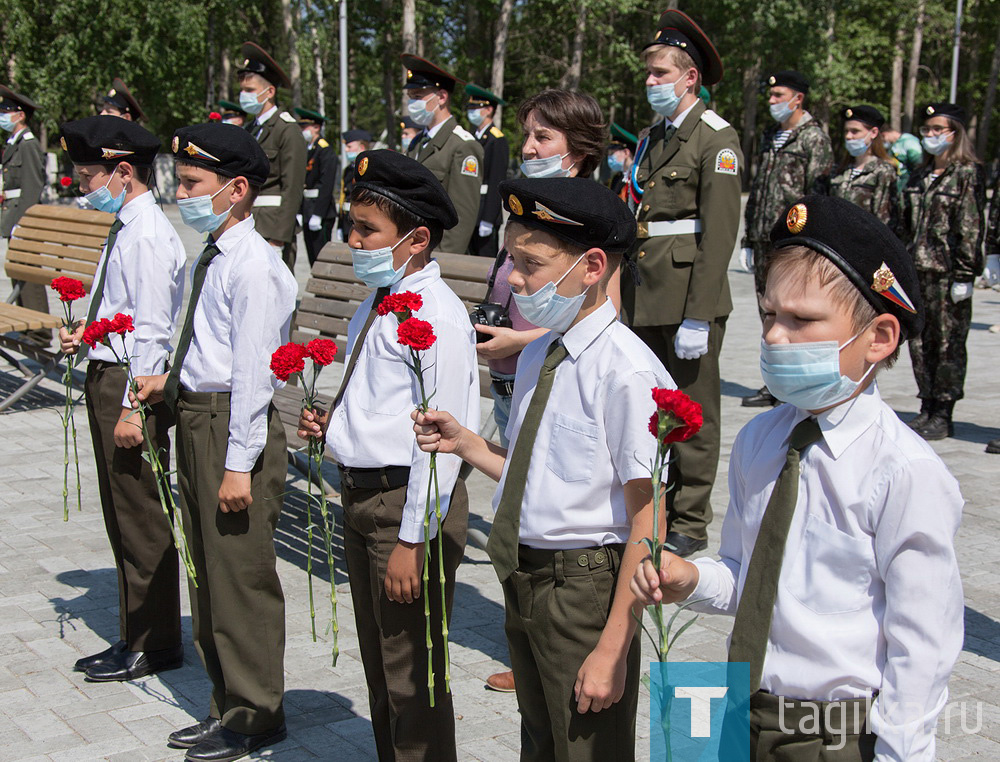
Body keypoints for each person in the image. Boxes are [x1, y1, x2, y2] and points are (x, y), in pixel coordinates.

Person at [633, 194, 964, 762]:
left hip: (834, 731)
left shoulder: (903, 472)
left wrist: (901, 751)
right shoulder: (760, 440)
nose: (776, 336)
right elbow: (745, 574)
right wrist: (690, 579)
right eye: (769, 314)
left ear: (879, 338)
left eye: (802, 320)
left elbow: (923, 645)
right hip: (737, 706)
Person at [414, 177, 670, 761]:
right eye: (511, 261)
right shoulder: (538, 353)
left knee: (586, 747)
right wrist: (466, 444)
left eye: (531, 264)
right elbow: (535, 473)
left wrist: (612, 649)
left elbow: (648, 521)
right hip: (524, 577)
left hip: (582, 588)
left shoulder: (627, 373)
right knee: (542, 741)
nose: (516, 280)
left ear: (591, 266)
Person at [297, 149, 478, 761]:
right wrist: (335, 423)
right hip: (364, 494)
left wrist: (412, 540)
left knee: (412, 676)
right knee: (382, 665)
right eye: (351, 224)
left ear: (417, 238)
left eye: (367, 229)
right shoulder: (380, 298)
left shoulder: (434, 314)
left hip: (406, 505)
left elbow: (443, 447)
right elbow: (382, 401)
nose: (352, 238)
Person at [131, 123, 297, 762]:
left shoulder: (254, 266)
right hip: (201, 417)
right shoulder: (216, 254)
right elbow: (202, 349)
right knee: (207, 571)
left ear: (234, 191)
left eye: (195, 184)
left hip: (233, 426)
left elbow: (254, 376)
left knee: (239, 576)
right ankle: (225, 700)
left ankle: (257, 713)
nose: (184, 194)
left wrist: (239, 467)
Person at [476, 91, 607, 694]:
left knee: (545, 509)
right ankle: (524, 644)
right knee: (516, 504)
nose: (529, 148)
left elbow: (592, 316)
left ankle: (559, 649)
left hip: (548, 375)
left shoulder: (594, 221)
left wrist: (518, 341)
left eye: (544, 138)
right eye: (527, 135)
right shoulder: (532, 208)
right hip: (515, 374)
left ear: (578, 150)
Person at [57, 116, 186, 682]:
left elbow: (155, 330)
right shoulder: (126, 227)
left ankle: (155, 641)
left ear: (123, 171)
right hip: (109, 371)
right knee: (121, 507)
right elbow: (123, 311)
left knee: (141, 513)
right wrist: (86, 333)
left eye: (88, 176)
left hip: (131, 383)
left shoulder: (150, 234)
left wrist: (136, 405)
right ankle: (136, 631)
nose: (82, 187)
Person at [622, 10, 743, 559]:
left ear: (689, 77)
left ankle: (691, 518)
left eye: (660, 73)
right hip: (646, 293)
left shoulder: (716, 138)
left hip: (688, 299)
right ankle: (659, 505)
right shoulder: (654, 137)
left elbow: (718, 235)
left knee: (694, 408)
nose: (650, 82)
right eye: (649, 73)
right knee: (654, 408)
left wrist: (699, 314)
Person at [741, 70, 833, 408]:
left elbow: (818, 194)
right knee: (768, 314)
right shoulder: (770, 137)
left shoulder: (813, 139)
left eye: (779, 95)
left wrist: (810, 243)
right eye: (771, 95)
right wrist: (749, 238)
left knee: (792, 314)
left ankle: (796, 381)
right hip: (764, 239)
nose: (772, 101)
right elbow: (757, 190)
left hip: (793, 242)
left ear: (798, 99)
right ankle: (774, 380)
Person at [900, 102, 985, 440]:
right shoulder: (920, 174)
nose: (931, 135)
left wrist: (966, 274)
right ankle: (927, 404)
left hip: (948, 273)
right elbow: (905, 224)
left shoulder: (967, 173)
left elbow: (971, 226)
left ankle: (944, 411)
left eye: (939, 129)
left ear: (955, 134)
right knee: (919, 342)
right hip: (916, 270)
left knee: (948, 344)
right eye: (927, 129)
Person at [402, 53, 483, 254]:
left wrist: (444, 261)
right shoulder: (417, 142)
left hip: (436, 254)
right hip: (411, 249)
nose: (413, 103)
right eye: (411, 98)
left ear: (442, 97)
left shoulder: (462, 146)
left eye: (419, 96)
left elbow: (462, 217)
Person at [237, 41, 307, 270]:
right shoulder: (250, 130)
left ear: (270, 92)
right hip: (247, 225)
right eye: (243, 90)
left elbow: (293, 188)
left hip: (272, 228)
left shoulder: (287, 130)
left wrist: (279, 237)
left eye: (250, 91)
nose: (243, 95)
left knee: (274, 300)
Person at [0, 85, 47, 344]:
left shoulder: (28, 145)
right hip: (12, 216)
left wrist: (24, 223)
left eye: (5, 111)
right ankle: (28, 326)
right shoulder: (14, 144)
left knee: (29, 273)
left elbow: (32, 187)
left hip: (22, 218)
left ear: (20, 115)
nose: (1, 116)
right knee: (19, 272)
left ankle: (38, 332)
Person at [829, 106, 899, 230]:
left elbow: (884, 221)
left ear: (873, 133)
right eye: (846, 131)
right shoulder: (839, 170)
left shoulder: (882, 171)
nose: (848, 136)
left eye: (855, 131)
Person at [465, 83, 509, 258]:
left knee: (484, 261)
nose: (472, 111)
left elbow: (497, 181)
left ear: (489, 110)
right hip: (471, 208)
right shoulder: (470, 137)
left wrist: (488, 219)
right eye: (470, 107)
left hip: (485, 211)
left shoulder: (496, 140)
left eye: (476, 107)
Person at [296, 107, 338, 266]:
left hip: (322, 211)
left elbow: (326, 185)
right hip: (308, 209)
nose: (302, 130)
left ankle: (325, 290)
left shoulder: (325, 150)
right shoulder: (308, 149)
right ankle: (318, 289)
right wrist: (300, 210)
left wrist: (318, 214)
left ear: (316, 127)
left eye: (304, 127)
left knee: (323, 257)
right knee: (312, 257)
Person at [337, 128, 371, 241]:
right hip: (347, 222)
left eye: (349, 147)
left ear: (361, 147)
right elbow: (343, 199)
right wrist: (340, 225)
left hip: (361, 225)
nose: (346, 150)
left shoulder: (369, 169)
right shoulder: (348, 170)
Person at [882, 126, 923, 191]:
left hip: (909, 182)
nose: (885, 141)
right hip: (899, 183)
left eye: (883, 138)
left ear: (885, 134)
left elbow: (918, 163)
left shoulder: (909, 141)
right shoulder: (894, 144)